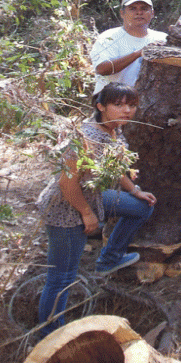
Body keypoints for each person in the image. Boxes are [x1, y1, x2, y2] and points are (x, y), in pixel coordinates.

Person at [36, 83, 156, 337]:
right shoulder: (85, 138)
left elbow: (115, 166)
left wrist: (134, 190)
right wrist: (87, 214)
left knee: (141, 207)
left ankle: (109, 260)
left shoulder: (114, 130)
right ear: (101, 106)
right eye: (118, 105)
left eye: (131, 105)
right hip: (66, 207)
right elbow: (67, 184)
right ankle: (49, 334)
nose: (127, 110)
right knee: (62, 278)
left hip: (94, 196)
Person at [91, 0, 167, 94]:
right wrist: (139, 53)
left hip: (146, 101)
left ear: (152, 13)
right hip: (111, 100)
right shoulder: (109, 37)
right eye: (132, 8)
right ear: (122, 13)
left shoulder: (163, 39)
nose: (139, 12)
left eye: (144, 8)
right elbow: (101, 69)